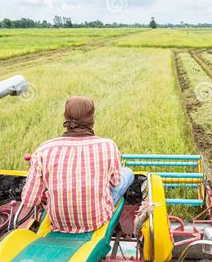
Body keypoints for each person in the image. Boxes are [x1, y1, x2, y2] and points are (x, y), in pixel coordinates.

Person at [21, 96, 134, 233]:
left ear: (65, 118)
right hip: (96, 220)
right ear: (92, 119)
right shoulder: (108, 146)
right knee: (127, 173)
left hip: (59, 223)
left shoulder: (43, 150)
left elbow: (29, 201)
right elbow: (114, 182)